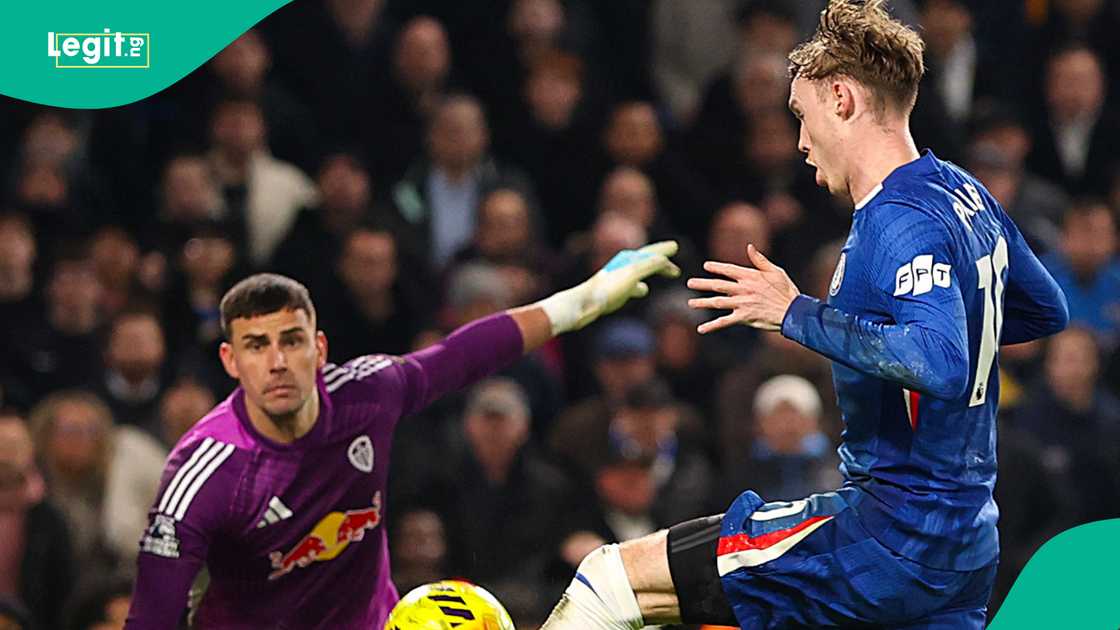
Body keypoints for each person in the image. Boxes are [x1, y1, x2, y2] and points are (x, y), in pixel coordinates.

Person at [538, 2, 1069, 628]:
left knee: (611, 578)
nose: (800, 142)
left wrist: (796, 312)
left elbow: (942, 363)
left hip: (887, 538)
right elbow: (1045, 309)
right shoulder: (962, 190)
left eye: (801, 113)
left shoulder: (897, 219)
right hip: (965, 546)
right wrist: (944, 327)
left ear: (841, 99)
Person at [124, 240, 680, 628]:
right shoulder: (206, 472)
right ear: (230, 361)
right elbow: (152, 616)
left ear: (319, 348)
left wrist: (581, 300)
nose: (277, 362)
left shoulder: (366, 394)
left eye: (291, 340)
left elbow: (464, 354)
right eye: (256, 345)